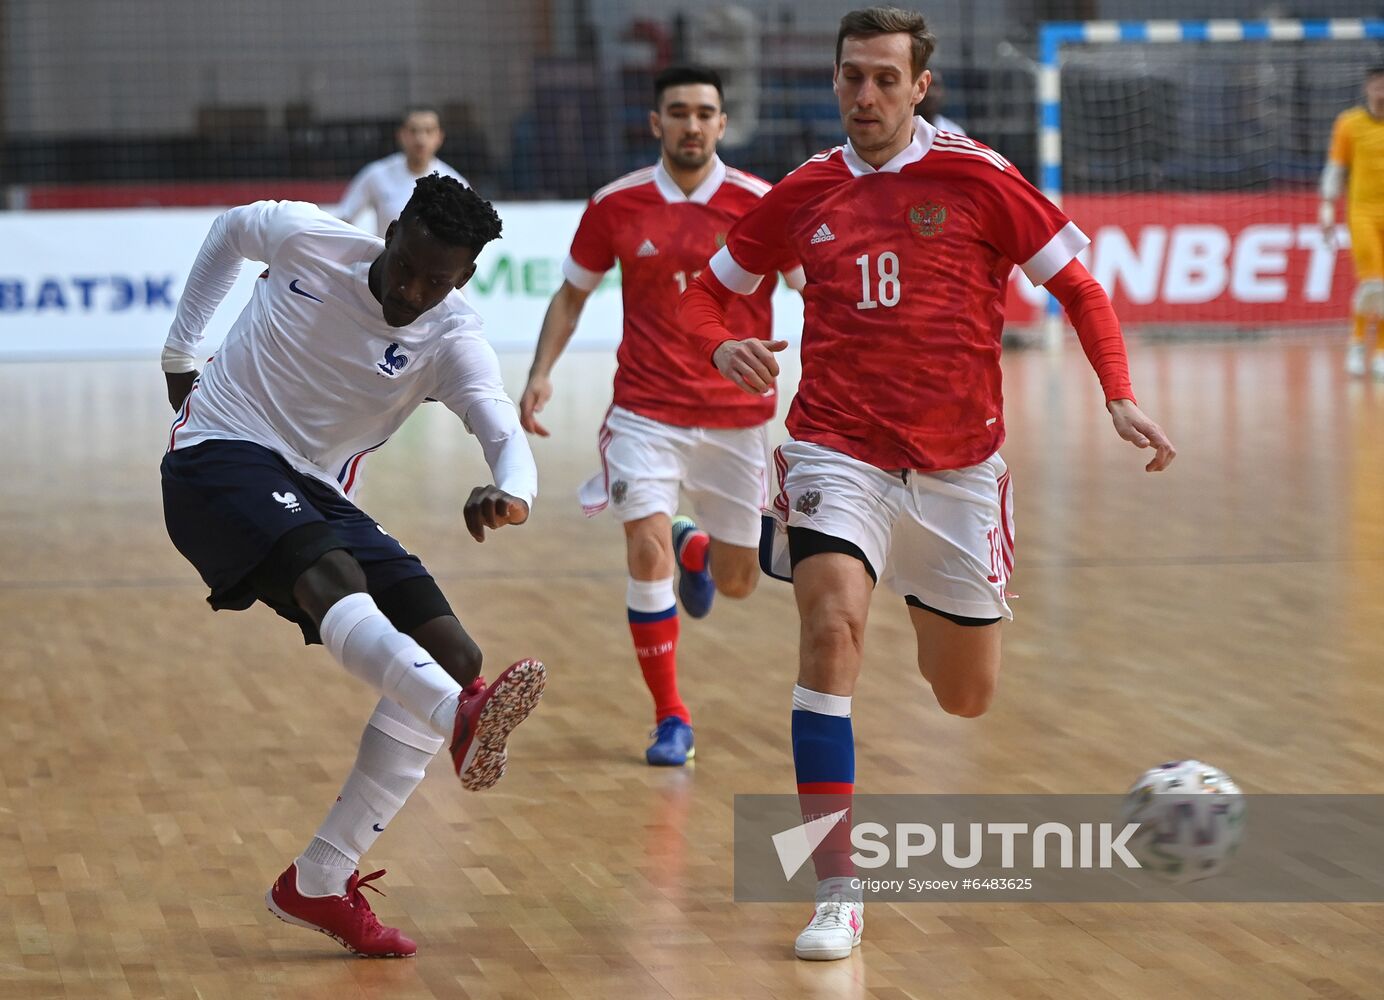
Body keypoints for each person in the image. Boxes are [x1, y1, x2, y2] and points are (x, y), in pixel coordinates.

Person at [679, 6, 1175, 962]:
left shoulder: (980, 179)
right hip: (836, 450)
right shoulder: (806, 190)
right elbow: (708, 288)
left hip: (957, 472)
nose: (864, 95)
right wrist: (721, 340)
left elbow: (1078, 285)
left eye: (883, 79)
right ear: (835, 82)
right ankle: (836, 889)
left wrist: (1117, 394)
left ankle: (895, 579)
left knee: (964, 699)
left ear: (919, 87)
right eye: (850, 77)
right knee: (830, 634)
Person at [160, 175, 545, 957]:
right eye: (406, 266)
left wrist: (512, 491)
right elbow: (232, 228)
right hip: (217, 457)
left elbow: (499, 423)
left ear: (464, 278)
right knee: (328, 575)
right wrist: (180, 349)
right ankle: (456, 717)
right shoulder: (310, 238)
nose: (411, 290)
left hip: (315, 486)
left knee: (455, 653)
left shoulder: (452, 335)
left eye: (436, 282)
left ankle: (320, 879)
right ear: (392, 229)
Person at [519, 66, 802, 767]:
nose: (692, 125)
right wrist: (540, 374)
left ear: (722, 125)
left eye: (705, 112)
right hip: (644, 413)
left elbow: (815, 291)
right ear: (656, 124)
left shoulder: (761, 204)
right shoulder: (617, 205)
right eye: (678, 112)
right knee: (642, 554)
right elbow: (571, 295)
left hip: (738, 421)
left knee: (740, 582)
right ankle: (670, 717)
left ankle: (696, 548)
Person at [1320, 66, 1384, 379]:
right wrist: (1327, 210)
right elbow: (1336, 168)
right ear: (1367, 88)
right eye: (1377, 85)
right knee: (1373, 282)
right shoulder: (1349, 123)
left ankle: (1382, 351)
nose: (1381, 91)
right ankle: (1358, 343)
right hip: (1363, 213)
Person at [337, 106, 468, 236]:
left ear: (439, 137)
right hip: (386, 255)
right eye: (413, 131)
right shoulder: (376, 174)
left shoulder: (455, 184)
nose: (420, 139)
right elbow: (344, 218)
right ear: (401, 135)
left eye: (428, 131)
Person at [918, 66, 966, 135]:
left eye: (935, 85)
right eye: (927, 86)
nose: (931, 93)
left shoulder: (955, 133)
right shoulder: (902, 131)